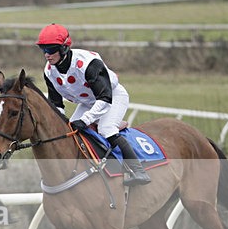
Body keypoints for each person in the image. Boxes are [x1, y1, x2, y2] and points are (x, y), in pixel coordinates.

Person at [36, 23, 150, 186]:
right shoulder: (49, 71)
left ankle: (138, 170)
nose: (47, 55)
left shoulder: (89, 63)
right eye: (43, 50)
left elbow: (104, 98)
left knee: (106, 129)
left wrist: (87, 119)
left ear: (64, 48)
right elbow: (56, 104)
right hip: (88, 101)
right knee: (70, 131)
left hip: (112, 96)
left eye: (51, 49)